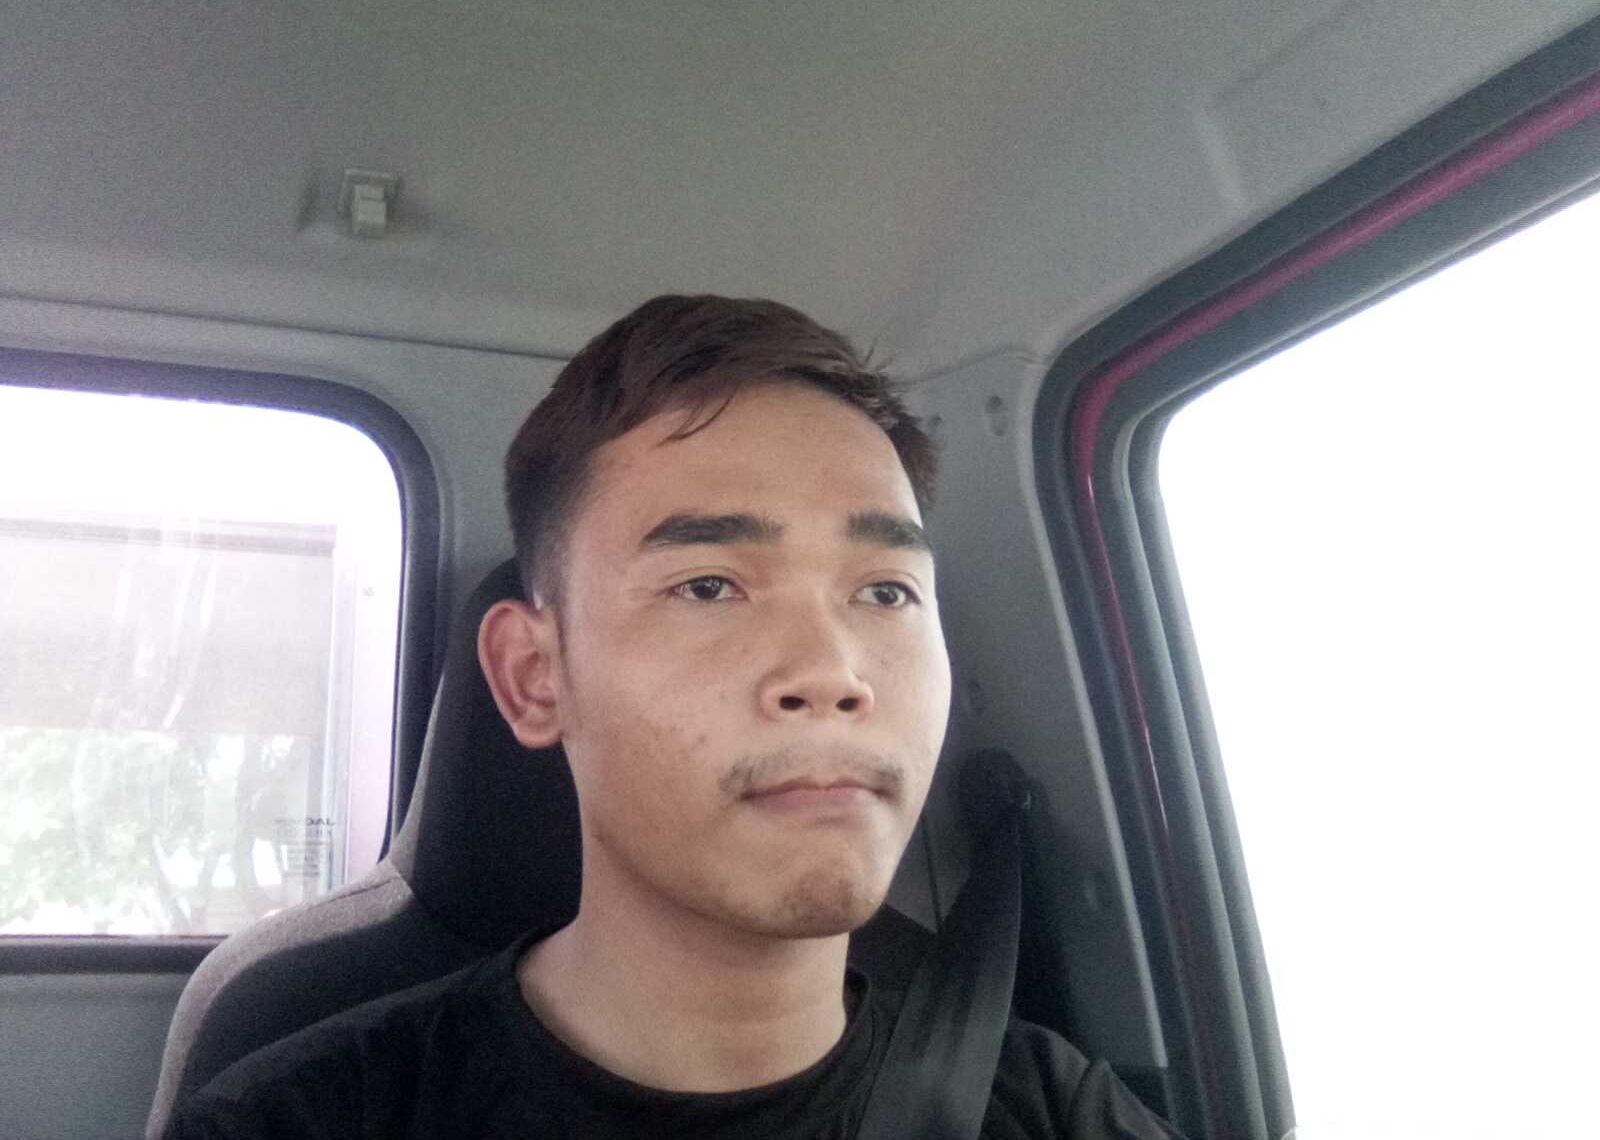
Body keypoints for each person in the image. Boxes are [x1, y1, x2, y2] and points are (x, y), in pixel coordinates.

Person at [165, 295, 1185, 1139]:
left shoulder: (1056, 1110)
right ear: (534, 677)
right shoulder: (299, 1120)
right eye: (708, 586)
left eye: (885, 592)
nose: (832, 673)